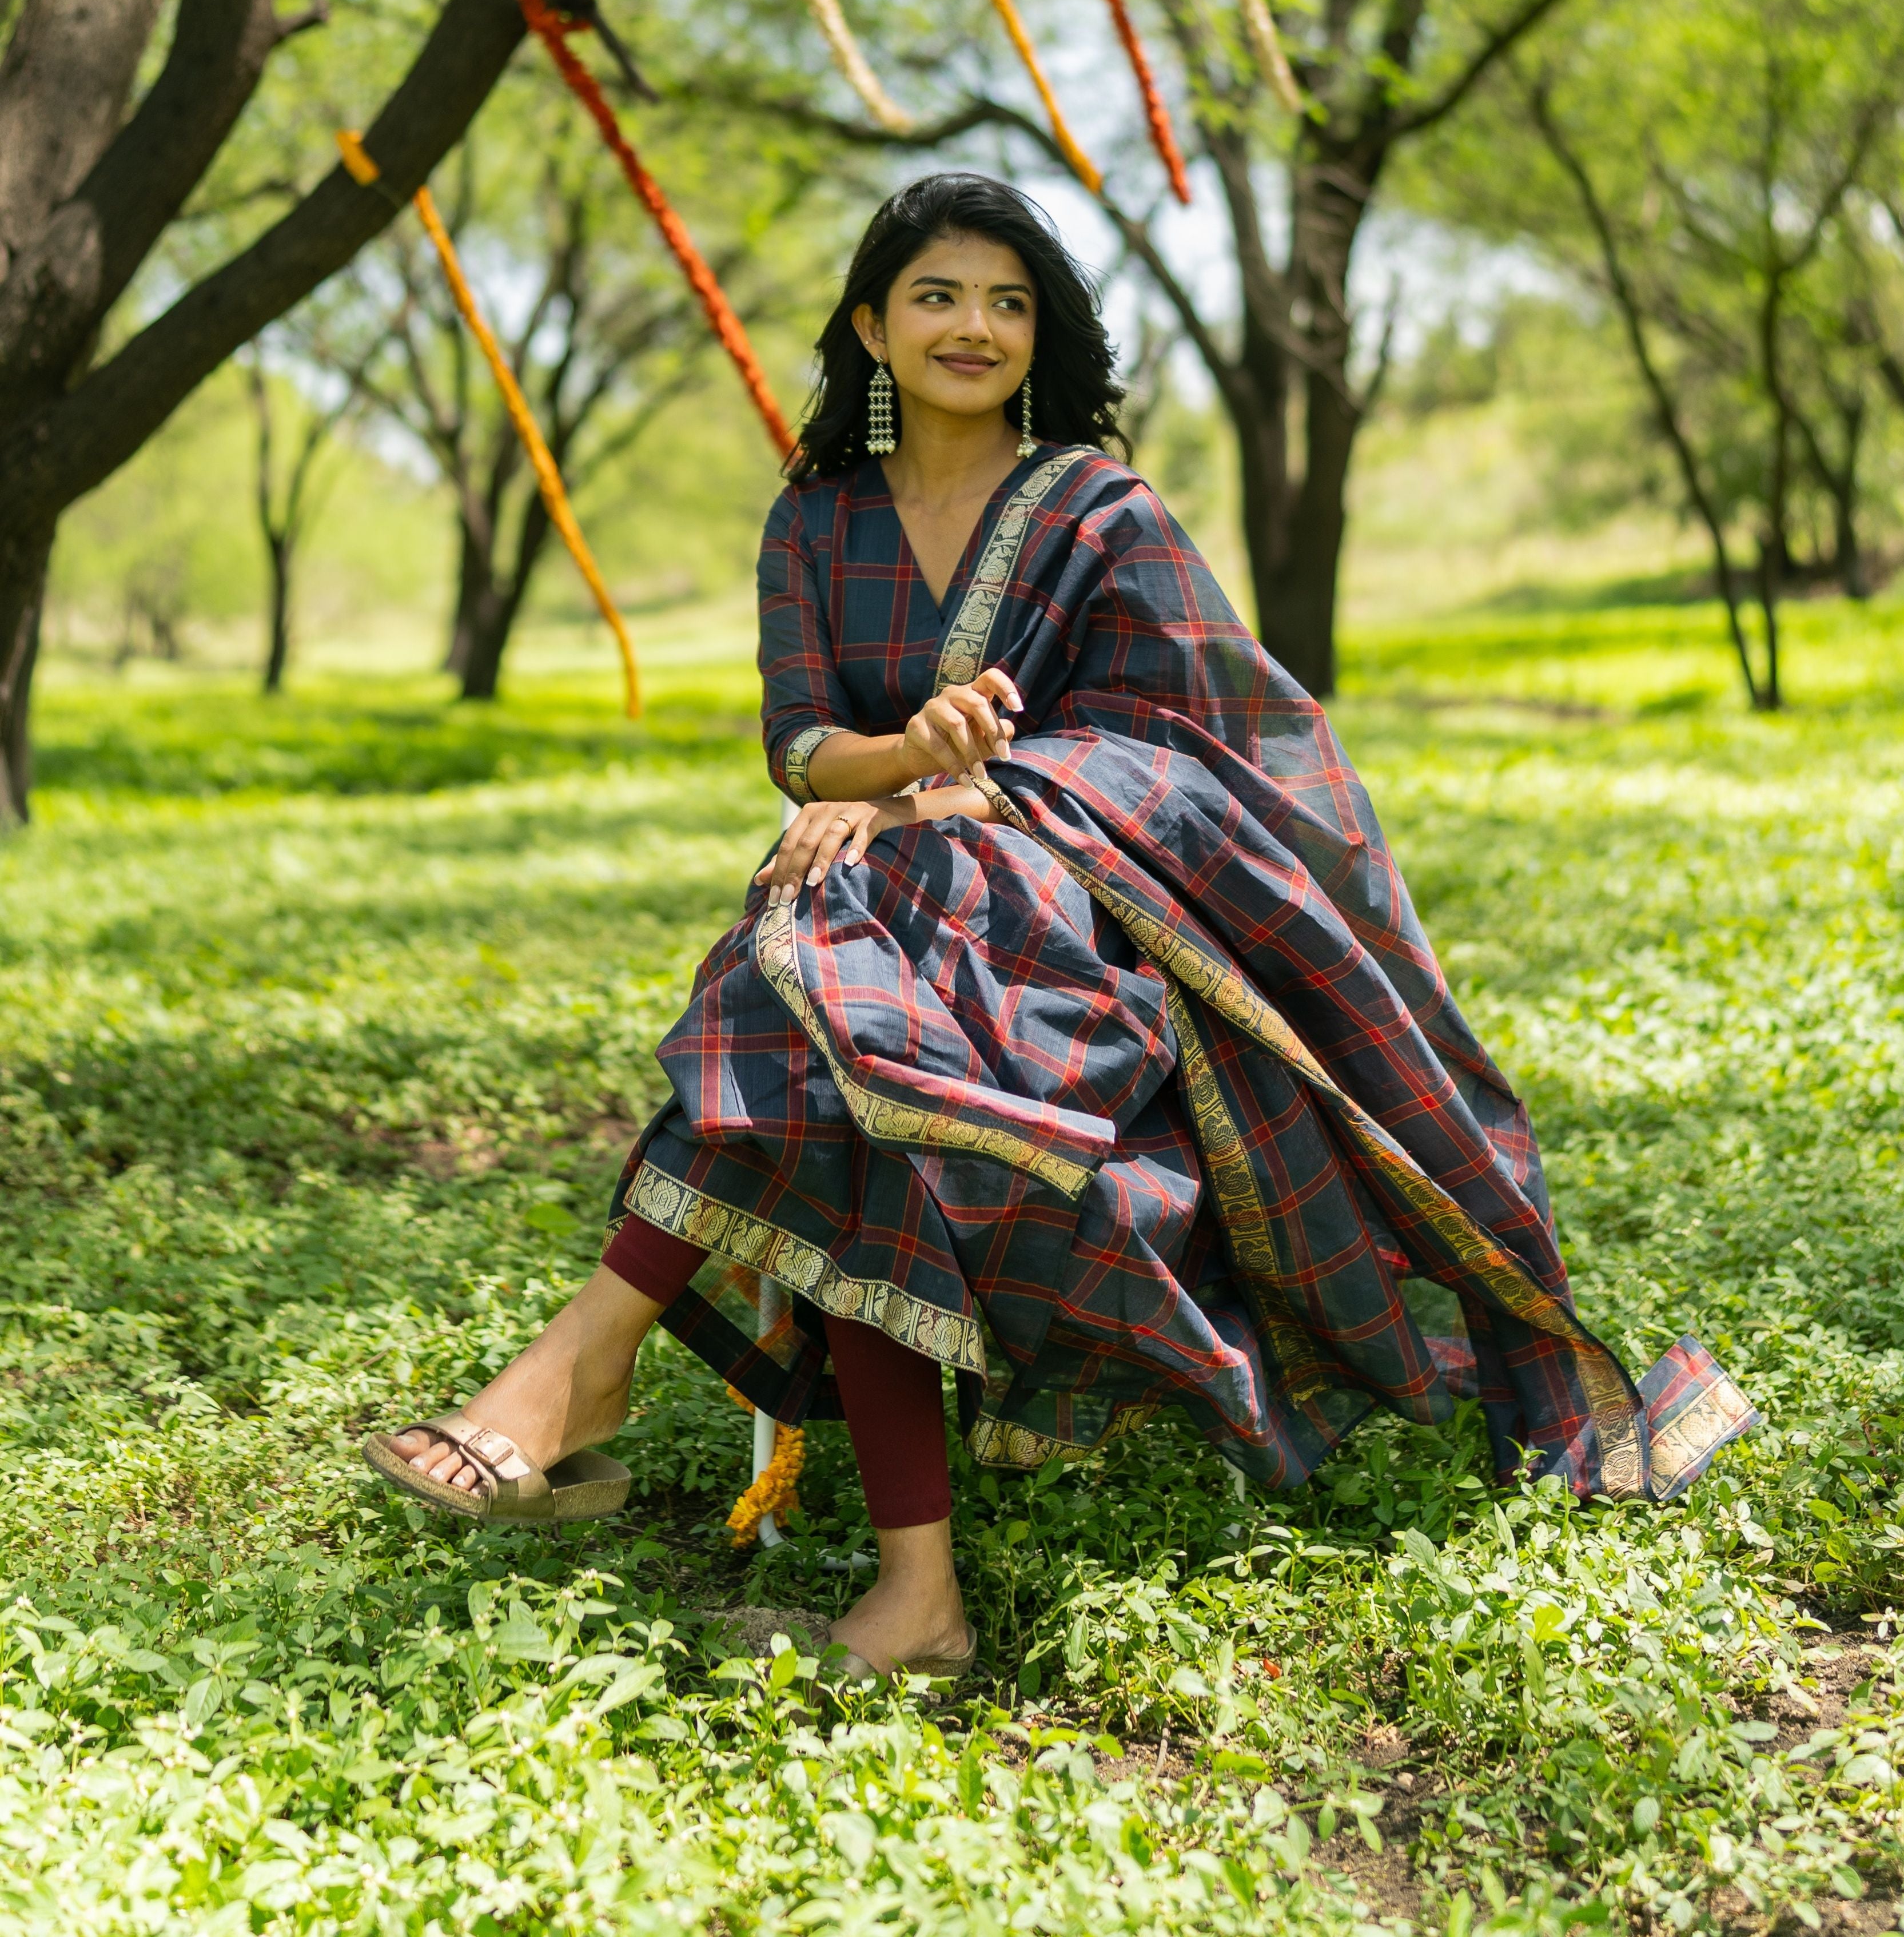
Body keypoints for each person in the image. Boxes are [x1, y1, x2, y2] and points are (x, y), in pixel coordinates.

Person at [365, 172, 1754, 1677]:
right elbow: (800, 745)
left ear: (1044, 333)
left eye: (1009, 301)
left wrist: (977, 785)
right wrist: (901, 773)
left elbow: (1181, 735)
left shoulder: (1099, 511)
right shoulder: (816, 519)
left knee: (827, 977)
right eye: (938, 295)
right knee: (849, 1033)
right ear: (870, 326)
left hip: (1082, 926)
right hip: (884, 902)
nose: (974, 325)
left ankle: (580, 1373)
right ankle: (911, 1599)